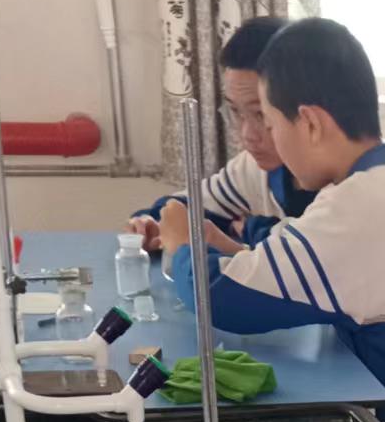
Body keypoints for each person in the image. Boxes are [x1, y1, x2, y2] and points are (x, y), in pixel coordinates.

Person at [159, 18, 385, 422]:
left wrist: (182, 243)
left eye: (270, 121)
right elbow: (338, 274)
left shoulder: (353, 205)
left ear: (309, 122)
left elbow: (220, 299)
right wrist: (233, 247)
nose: (263, 136)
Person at [128, 15, 314, 256]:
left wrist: (253, 231)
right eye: (236, 112)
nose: (247, 135)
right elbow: (188, 206)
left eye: (261, 114)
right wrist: (150, 224)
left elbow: (308, 254)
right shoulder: (253, 169)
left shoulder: (343, 186)